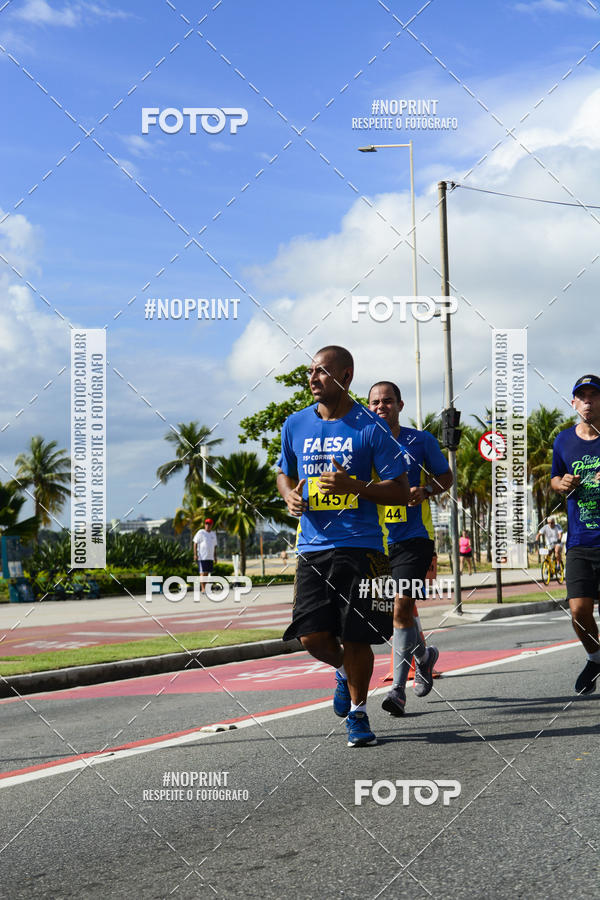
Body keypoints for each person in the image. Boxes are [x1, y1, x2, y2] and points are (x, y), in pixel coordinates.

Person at [277, 346, 409, 747]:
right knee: (311, 636)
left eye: (322, 371)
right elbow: (284, 472)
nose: (313, 378)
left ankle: (358, 713)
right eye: (310, 372)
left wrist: (355, 486)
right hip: (312, 546)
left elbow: (400, 490)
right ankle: (342, 671)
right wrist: (289, 496)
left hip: (361, 547)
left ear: (346, 376)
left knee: (356, 636)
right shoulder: (295, 424)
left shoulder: (371, 427)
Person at [368, 381, 453, 717]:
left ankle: (397, 690)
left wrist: (426, 490)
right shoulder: (362, 443)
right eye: (375, 402)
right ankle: (424, 656)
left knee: (402, 605)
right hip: (375, 540)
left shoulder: (420, 440)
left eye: (387, 401)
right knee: (398, 611)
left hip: (414, 538)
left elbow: (446, 476)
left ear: (400, 405)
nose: (381, 407)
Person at [550, 374, 600, 695]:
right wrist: (562, 483)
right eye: (582, 397)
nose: (587, 401)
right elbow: (554, 478)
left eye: (593, 395)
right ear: (573, 403)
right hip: (579, 541)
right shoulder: (564, 441)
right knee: (579, 611)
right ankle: (595, 658)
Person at [192, 518, 218, 592]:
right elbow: (195, 543)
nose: (207, 525)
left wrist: (215, 556)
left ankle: (205, 588)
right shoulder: (201, 532)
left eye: (209, 524)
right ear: (204, 524)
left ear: (212, 525)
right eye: (206, 524)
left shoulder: (213, 534)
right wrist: (195, 554)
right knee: (202, 573)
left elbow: (214, 546)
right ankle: (203, 589)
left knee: (206, 573)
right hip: (202, 557)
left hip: (210, 557)